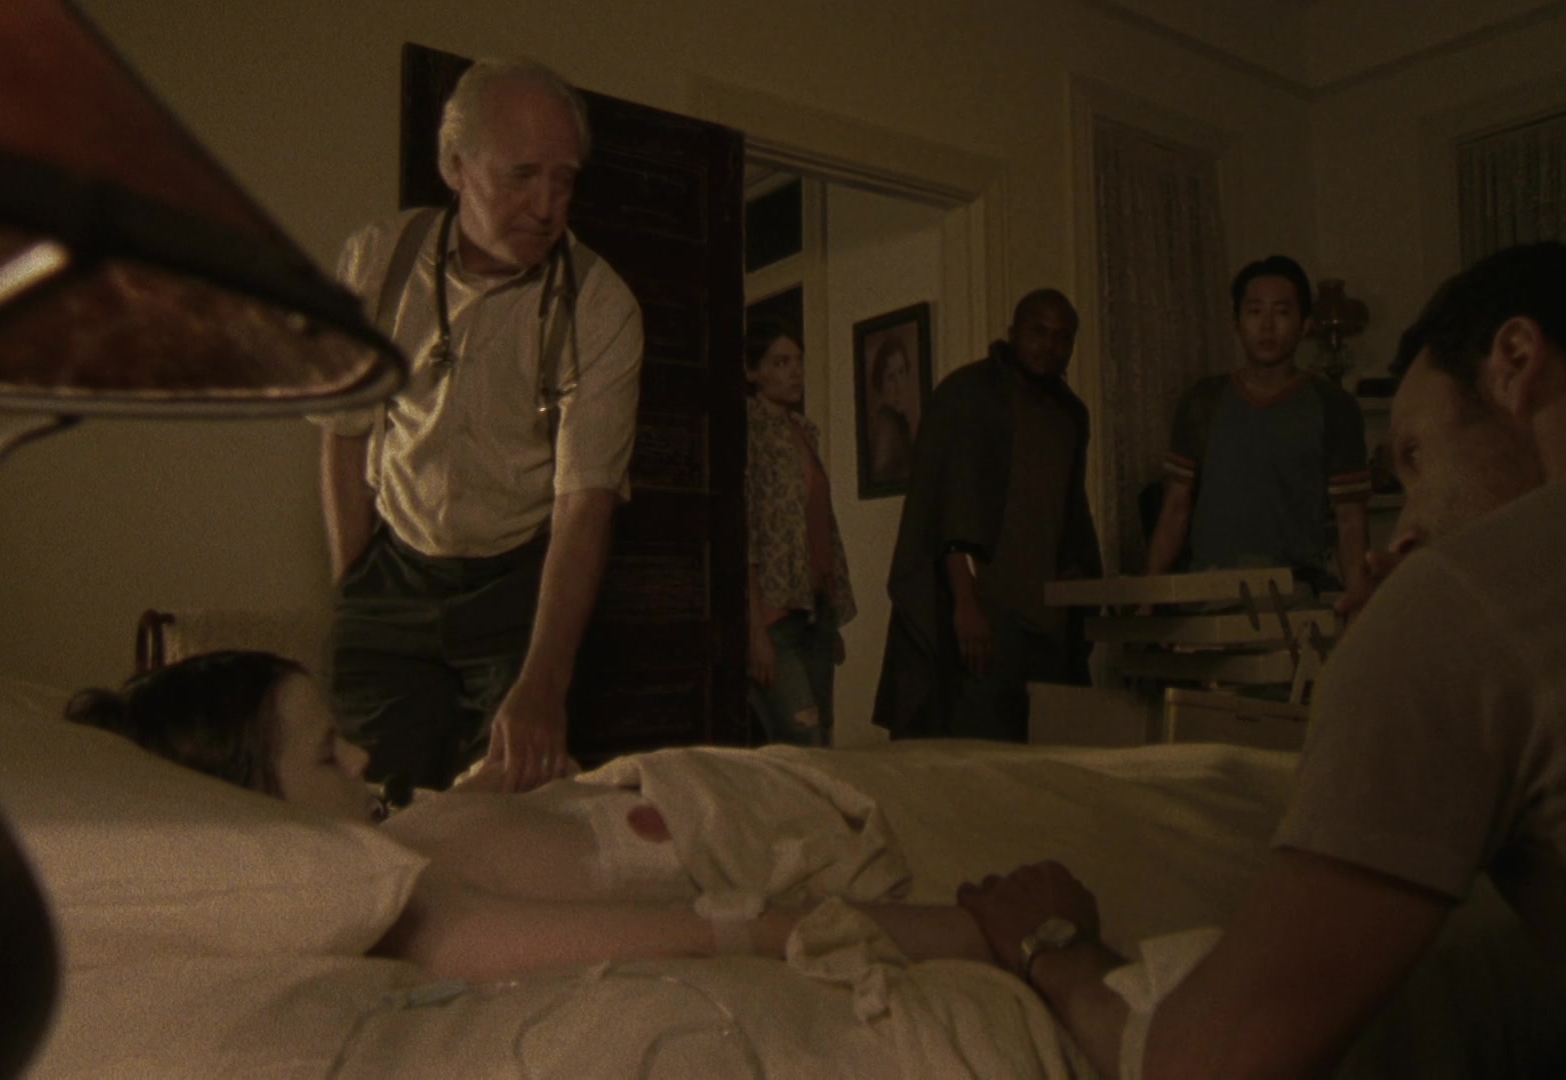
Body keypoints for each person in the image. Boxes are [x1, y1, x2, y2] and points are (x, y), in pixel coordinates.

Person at [957, 244, 1566, 1077]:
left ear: (1517, 362)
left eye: (1419, 458)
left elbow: (1214, 1064)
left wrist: (1055, 948)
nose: (1413, 526)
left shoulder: (1469, 592)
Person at [65, 651, 992, 982]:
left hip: (718, 784)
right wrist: (981, 932)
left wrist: (485, 792)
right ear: (259, 816)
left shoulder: (390, 845)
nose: (361, 759)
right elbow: (727, 930)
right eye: (325, 754)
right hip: (760, 831)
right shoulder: (417, 916)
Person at [313, 57, 643, 798]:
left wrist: (544, 682)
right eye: (522, 176)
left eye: (564, 180)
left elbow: (584, 504)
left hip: (519, 586)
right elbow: (343, 432)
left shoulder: (601, 306)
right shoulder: (377, 263)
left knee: (509, 806)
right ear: (456, 167)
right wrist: (355, 589)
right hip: (395, 566)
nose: (547, 206)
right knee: (370, 803)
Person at [872, 289, 1103, 742]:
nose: (1049, 345)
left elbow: (1071, 508)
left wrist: (1079, 578)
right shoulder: (967, 395)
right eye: (1038, 331)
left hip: (1050, 615)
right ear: (1013, 332)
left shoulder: (1071, 414)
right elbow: (945, 507)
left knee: (1050, 758)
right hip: (984, 610)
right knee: (977, 751)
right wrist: (966, 604)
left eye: (1062, 337)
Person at [1142, 255, 1371, 601]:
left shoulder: (1333, 406)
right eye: (1254, 311)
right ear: (1236, 321)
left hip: (1295, 594)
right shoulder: (1204, 402)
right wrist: (1149, 595)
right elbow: (1176, 507)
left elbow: (1350, 519)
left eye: (1281, 312)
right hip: (1209, 592)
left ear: (1305, 324)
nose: (1266, 326)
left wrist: (1358, 600)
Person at [743, 321, 856, 746]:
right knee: (801, 734)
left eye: (798, 361)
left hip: (815, 609)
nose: (794, 372)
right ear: (754, 372)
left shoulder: (803, 431)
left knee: (823, 737)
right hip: (774, 614)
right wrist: (755, 630)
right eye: (780, 363)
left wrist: (831, 614)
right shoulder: (749, 431)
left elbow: (820, 528)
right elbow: (747, 533)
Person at [866, 337, 914, 487]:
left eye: (901, 372)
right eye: (891, 378)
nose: (899, 385)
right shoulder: (886, 426)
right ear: (881, 384)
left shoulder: (899, 421)